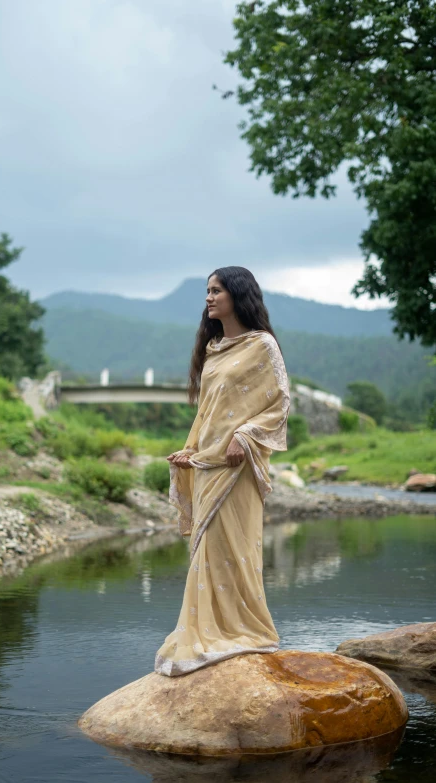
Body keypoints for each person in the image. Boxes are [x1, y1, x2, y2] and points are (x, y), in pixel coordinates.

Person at [155, 266, 290, 676]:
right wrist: (191, 451)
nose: (209, 297)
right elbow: (208, 413)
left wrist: (245, 436)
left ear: (238, 294)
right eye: (207, 291)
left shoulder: (262, 345)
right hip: (211, 466)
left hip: (238, 466)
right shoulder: (214, 349)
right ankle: (209, 630)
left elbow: (279, 403)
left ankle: (245, 628)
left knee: (236, 549)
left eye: (217, 290)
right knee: (208, 550)